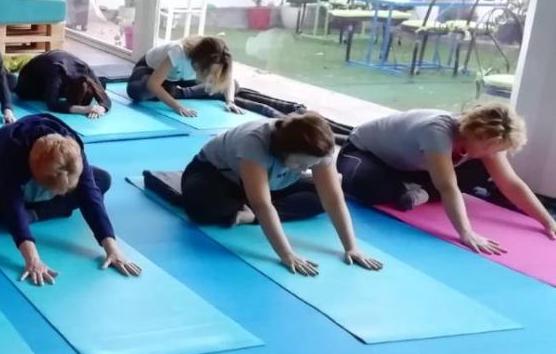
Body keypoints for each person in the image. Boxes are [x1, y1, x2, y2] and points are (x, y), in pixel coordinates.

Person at [181, 113, 383, 276]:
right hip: (216, 175)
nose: (305, 169)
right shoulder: (255, 143)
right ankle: (248, 209)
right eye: (300, 164)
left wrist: (351, 247)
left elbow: (333, 198)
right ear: (283, 152)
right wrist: (287, 254)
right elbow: (262, 204)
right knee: (204, 210)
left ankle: (248, 217)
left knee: (322, 197)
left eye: (309, 166)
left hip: (270, 182)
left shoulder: (319, 148)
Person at [338, 104, 555, 253]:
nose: (492, 152)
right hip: (364, 153)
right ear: (475, 134)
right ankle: (411, 189)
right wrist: (466, 233)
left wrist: (548, 221)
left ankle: (415, 190)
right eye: (490, 147)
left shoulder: (484, 142)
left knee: (480, 171)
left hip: (412, 166)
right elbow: (448, 186)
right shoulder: (437, 131)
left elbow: (511, 183)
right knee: (369, 189)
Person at [0, 112, 140, 285]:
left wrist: (112, 248)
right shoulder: (10, 146)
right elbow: (12, 201)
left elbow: (89, 193)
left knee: (102, 180)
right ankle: (33, 210)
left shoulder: (72, 147)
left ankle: (34, 213)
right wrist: (33, 259)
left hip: (34, 187)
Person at [126, 35, 242, 117]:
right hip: (150, 70)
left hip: (178, 78)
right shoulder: (178, 51)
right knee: (137, 91)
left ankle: (178, 92)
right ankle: (172, 91)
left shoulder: (218, 58)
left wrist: (230, 102)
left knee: (232, 86)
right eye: (208, 72)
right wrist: (178, 107)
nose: (209, 76)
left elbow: (228, 81)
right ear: (199, 62)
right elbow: (153, 84)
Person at [14, 50, 112, 119]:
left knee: (100, 85)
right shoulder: (56, 72)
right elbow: (51, 104)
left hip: (55, 70)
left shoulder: (85, 68)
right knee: (48, 95)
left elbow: (104, 97)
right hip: (27, 84)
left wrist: (102, 108)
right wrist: (85, 109)